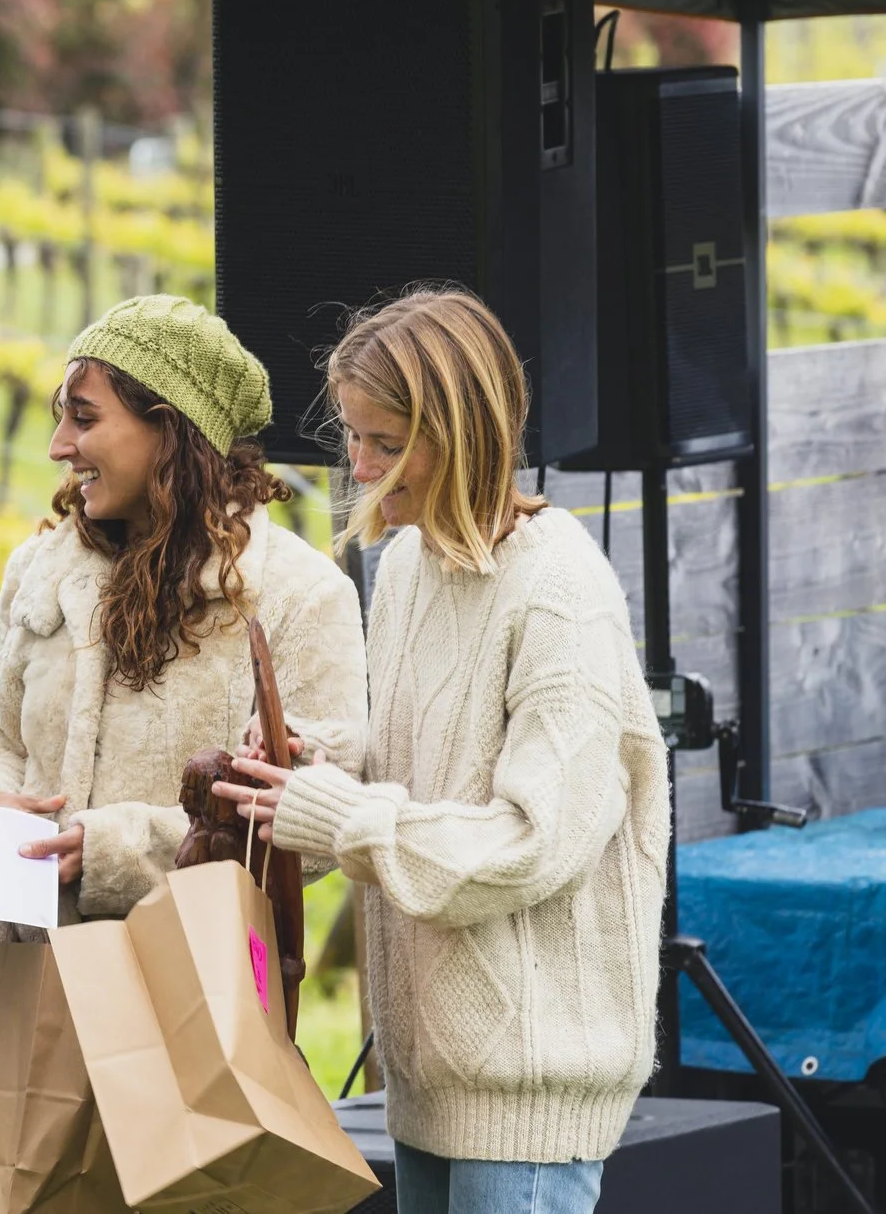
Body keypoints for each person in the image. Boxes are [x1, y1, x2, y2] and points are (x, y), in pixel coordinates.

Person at [219, 288, 671, 1214]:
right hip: (426, 1077)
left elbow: (531, 842)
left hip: (528, 1085)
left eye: (386, 442)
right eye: (353, 435)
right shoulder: (407, 568)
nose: (360, 466)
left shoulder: (560, 592)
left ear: (465, 434)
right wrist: (318, 766)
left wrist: (338, 814)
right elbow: (422, 779)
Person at [0, 293, 366, 923]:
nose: (59, 446)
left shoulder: (301, 596)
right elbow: (3, 734)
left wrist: (115, 851)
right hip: (14, 956)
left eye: (84, 419)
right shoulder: (40, 568)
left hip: (175, 967)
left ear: (170, 430)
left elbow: (308, 821)